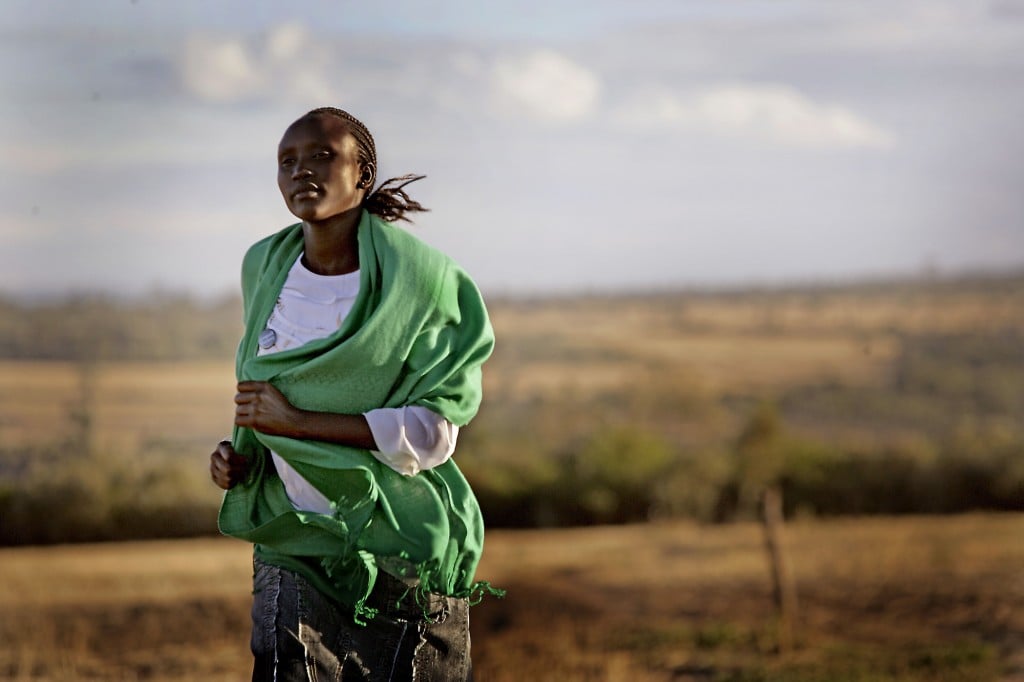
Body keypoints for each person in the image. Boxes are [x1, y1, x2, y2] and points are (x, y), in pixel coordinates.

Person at [209, 106, 499, 681]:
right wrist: (244, 457)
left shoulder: (424, 281)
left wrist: (295, 423)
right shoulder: (264, 266)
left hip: (399, 552)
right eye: (287, 161)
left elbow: (435, 434)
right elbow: (267, 392)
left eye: (322, 156)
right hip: (292, 536)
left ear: (363, 174)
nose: (301, 171)